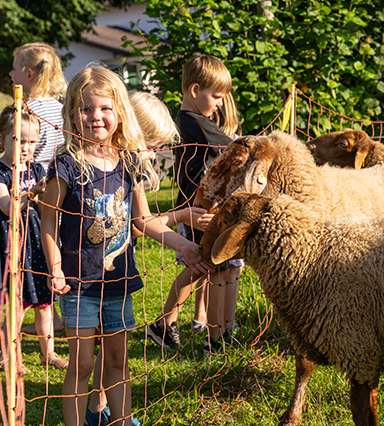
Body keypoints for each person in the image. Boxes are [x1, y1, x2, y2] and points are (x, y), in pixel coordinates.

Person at [40, 67, 213, 426]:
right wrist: (55, 267)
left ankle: (121, 420)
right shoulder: (66, 165)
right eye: (85, 109)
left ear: (119, 112)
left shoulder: (129, 162)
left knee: (118, 361)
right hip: (79, 284)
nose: (95, 117)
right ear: (72, 113)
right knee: (83, 364)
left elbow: (143, 221)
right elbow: (49, 222)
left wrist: (184, 246)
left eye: (104, 108)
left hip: (120, 281)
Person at [85, 90, 213, 426]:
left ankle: (100, 408)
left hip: (119, 266)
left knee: (114, 343)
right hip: (90, 270)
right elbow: (140, 225)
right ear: (131, 130)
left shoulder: (128, 166)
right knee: (103, 344)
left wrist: (182, 237)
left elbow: (140, 223)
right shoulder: (102, 164)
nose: (154, 153)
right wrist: (181, 218)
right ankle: (96, 410)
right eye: (152, 145)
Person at [147, 54, 243, 354]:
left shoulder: (198, 121)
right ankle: (215, 340)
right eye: (216, 96)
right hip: (198, 210)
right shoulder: (192, 122)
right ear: (194, 90)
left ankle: (166, 324)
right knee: (210, 267)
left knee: (207, 267)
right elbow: (234, 146)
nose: (219, 103)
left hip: (209, 206)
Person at [0, 105, 68, 371]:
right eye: (19, 140)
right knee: (17, 306)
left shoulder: (37, 171)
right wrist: (32, 193)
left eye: (32, 141)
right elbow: (7, 206)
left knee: (44, 302)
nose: (26, 147)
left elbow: (46, 212)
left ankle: (49, 353)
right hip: (10, 246)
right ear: (0, 138)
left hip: (35, 242)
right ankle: (6, 356)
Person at [10, 41, 67, 334]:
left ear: (29, 75)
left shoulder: (25, 110)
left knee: (31, 253)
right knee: (50, 249)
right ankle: (52, 317)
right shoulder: (59, 107)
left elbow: (19, 150)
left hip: (31, 187)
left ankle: (41, 316)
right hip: (56, 185)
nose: (10, 73)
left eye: (15, 68)